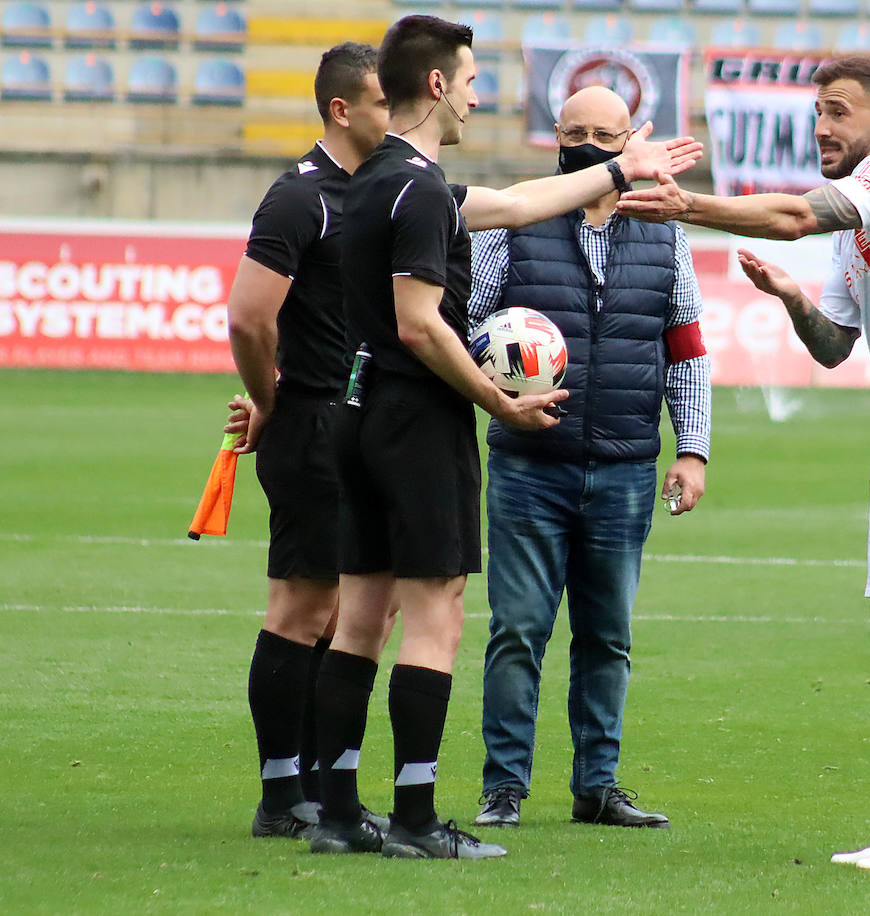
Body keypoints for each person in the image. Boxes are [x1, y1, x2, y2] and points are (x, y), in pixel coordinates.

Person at [307, 15, 703, 860]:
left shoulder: (384, 177)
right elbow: (422, 325)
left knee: (361, 619)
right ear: (440, 85)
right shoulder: (419, 188)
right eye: (475, 79)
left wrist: (620, 167)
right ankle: (416, 819)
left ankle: (338, 809)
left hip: (360, 406)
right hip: (416, 421)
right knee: (437, 617)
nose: (482, 95)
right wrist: (498, 399)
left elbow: (523, 202)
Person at [618, 56, 870, 872]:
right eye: (818, 113)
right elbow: (836, 347)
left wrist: (686, 205)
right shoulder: (864, 225)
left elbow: (797, 217)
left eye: (839, 111)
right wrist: (793, 300)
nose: (823, 128)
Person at [468, 86, 711, 831]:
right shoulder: (516, 218)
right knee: (517, 629)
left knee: (608, 635)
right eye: (574, 132)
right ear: (556, 136)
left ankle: (596, 786)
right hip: (527, 464)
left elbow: (687, 351)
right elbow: (470, 324)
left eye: (604, 134)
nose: (587, 144)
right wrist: (495, 389)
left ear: (632, 137)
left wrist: (692, 449)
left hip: (626, 467)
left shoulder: (666, 233)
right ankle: (504, 787)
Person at [224, 42, 391, 840]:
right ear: (341, 109)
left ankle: (322, 790)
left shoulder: (379, 192)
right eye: (383, 102)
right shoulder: (299, 198)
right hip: (313, 422)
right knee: (302, 609)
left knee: (347, 615)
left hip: (358, 423)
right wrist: (270, 398)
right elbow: (248, 317)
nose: (394, 116)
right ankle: (281, 795)